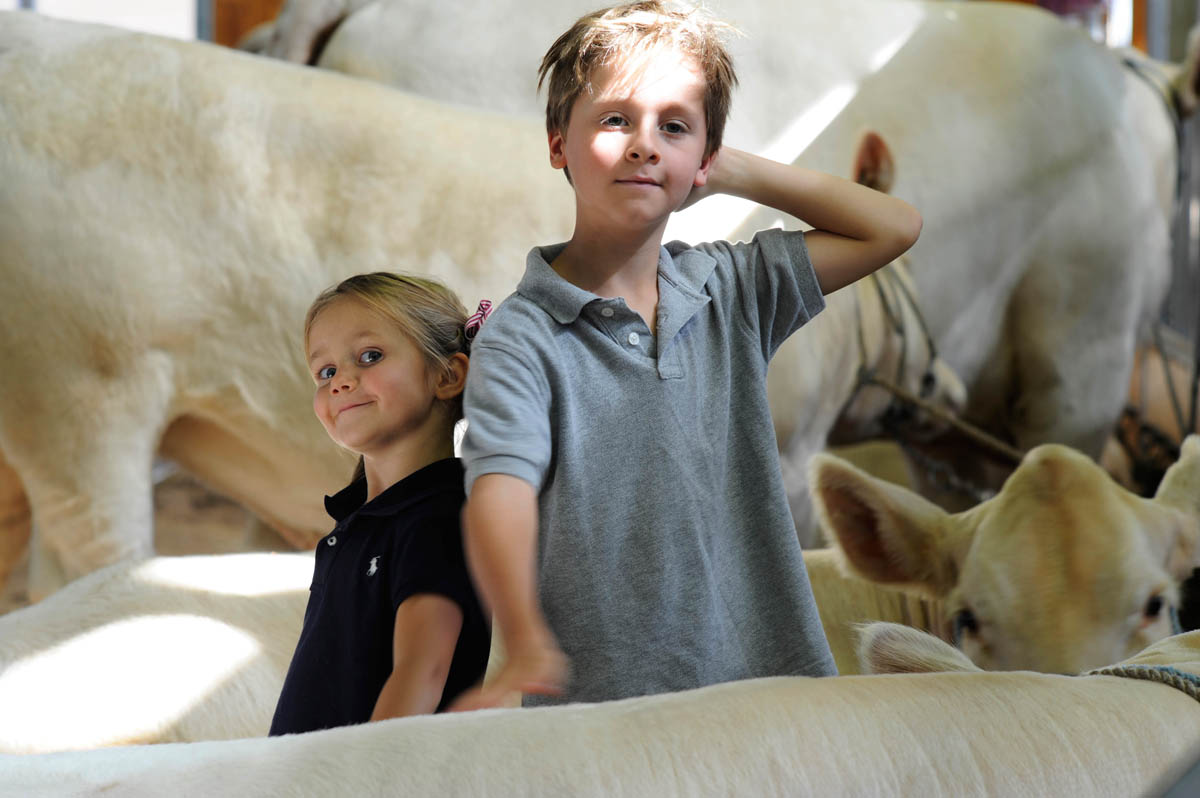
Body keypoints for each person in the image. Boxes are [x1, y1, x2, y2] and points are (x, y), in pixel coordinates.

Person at [455, 1, 922, 709]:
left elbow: (893, 226)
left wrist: (726, 168)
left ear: (701, 157)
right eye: (615, 119)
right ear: (559, 144)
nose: (645, 144)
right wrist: (519, 634)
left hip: (772, 690)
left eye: (673, 126)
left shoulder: (730, 287)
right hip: (609, 713)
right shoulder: (523, 336)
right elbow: (500, 490)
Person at [269, 272, 492, 735]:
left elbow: (422, 673)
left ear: (447, 375)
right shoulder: (354, 526)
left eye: (369, 357)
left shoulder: (441, 517)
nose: (341, 381)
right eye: (325, 371)